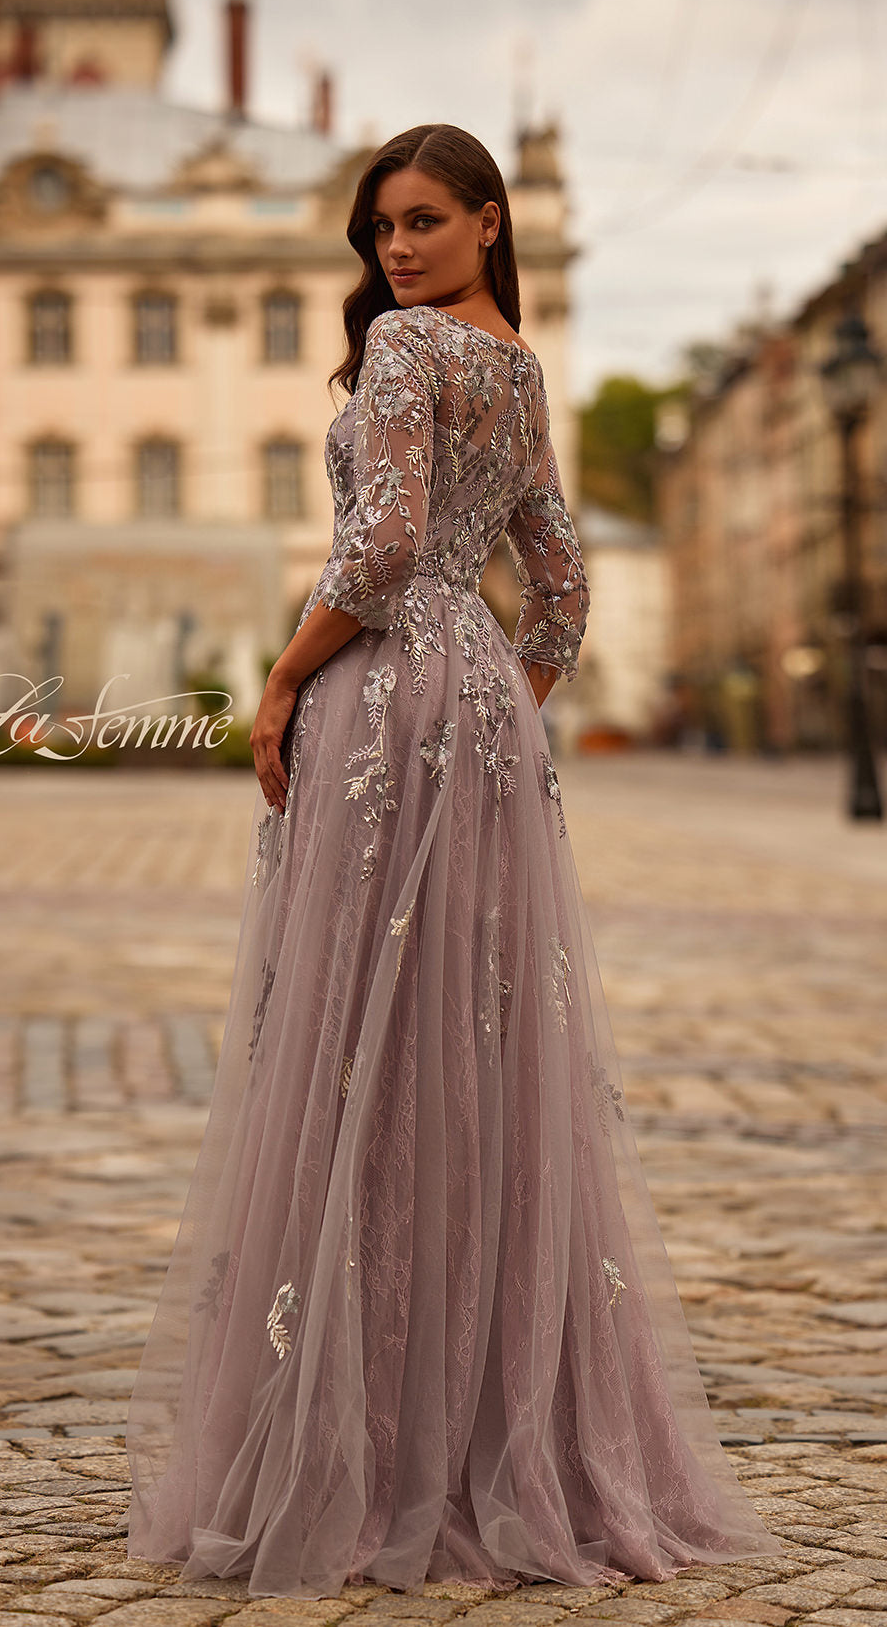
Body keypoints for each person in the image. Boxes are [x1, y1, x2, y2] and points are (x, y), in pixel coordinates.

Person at [125, 122, 780, 1598]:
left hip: (380, 688)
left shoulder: (412, 352)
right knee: (466, 1035)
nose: (395, 253)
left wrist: (290, 679)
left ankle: (362, 1436)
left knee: (359, 1035)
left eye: (421, 222)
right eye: (379, 231)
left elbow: (380, 547)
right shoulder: (526, 373)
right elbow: (558, 577)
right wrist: (501, 695)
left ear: (491, 222)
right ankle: (474, 1418)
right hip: (478, 702)